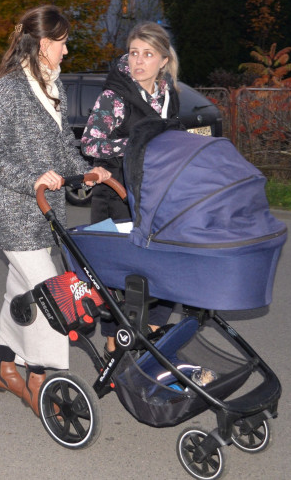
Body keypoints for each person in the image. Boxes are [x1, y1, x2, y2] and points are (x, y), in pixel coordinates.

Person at [0, 5, 110, 417]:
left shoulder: (54, 86)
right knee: (53, 295)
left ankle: (3, 364)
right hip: (14, 212)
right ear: (44, 43)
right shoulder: (6, 90)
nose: (67, 51)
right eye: (63, 42)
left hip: (46, 213)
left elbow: (63, 150)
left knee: (22, 291)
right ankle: (42, 377)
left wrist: (86, 174)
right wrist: (33, 177)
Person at [81, 21, 180, 357]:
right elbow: (90, 144)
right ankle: (114, 345)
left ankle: (144, 334)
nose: (139, 61)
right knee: (118, 278)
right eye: (134, 53)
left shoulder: (169, 97)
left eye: (148, 54)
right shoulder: (115, 96)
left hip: (153, 196)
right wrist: (134, 145)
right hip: (115, 196)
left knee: (162, 272)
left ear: (163, 60)